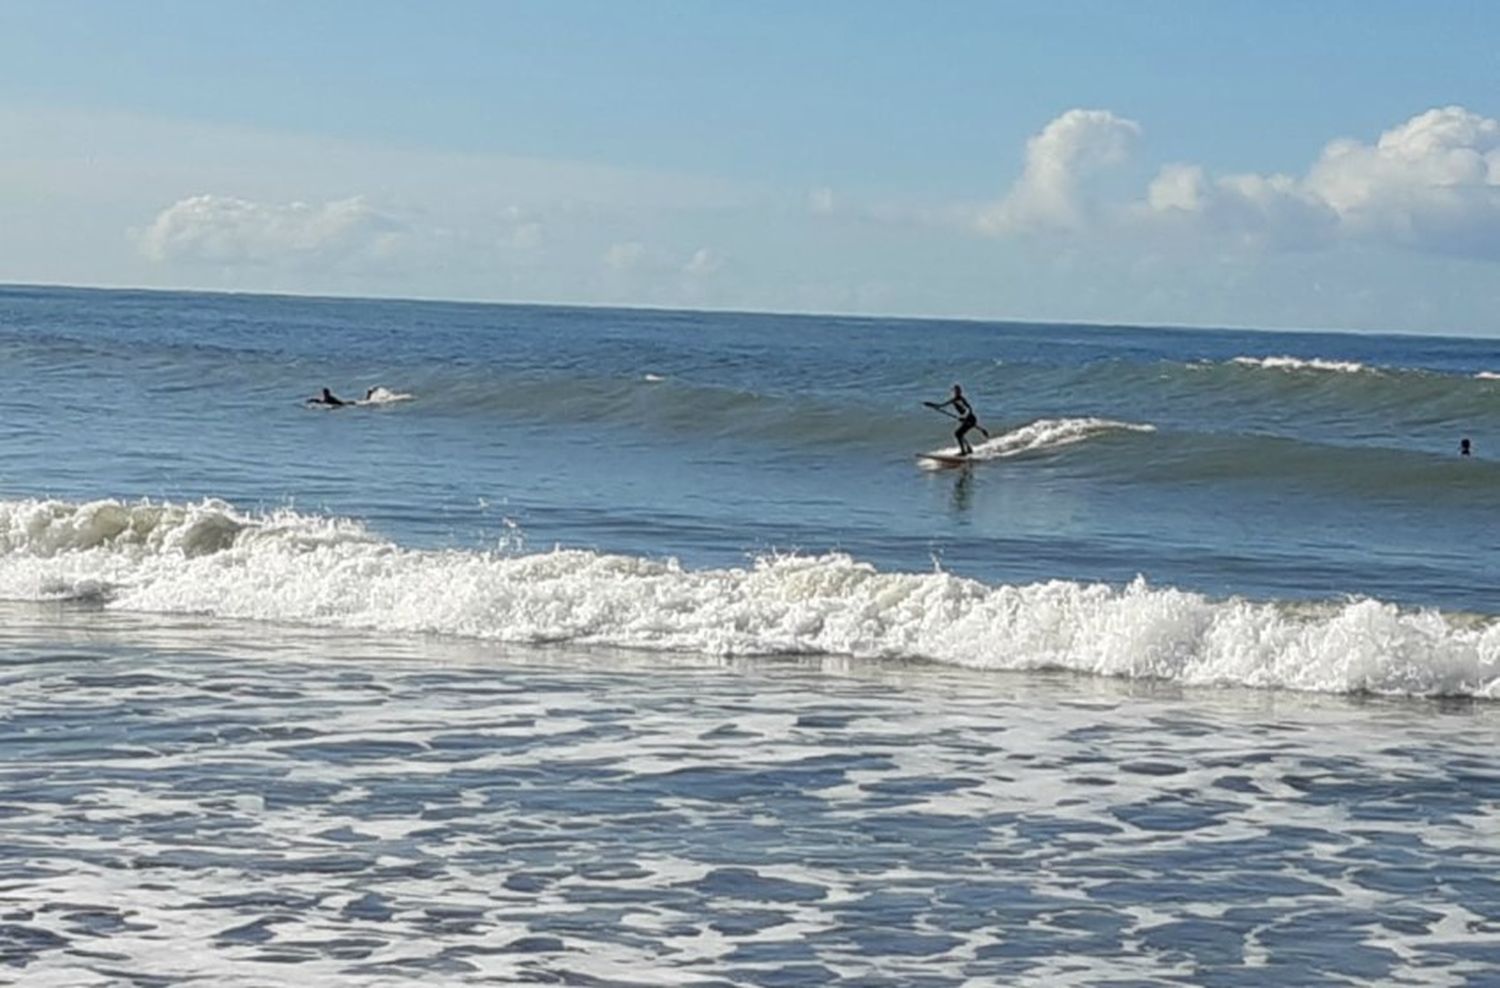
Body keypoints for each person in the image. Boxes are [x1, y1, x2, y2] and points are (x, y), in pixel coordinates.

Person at [927, 384, 982, 456]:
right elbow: (941, 405)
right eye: (956, 391)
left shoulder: (961, 399)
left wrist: (964, 417)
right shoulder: (953, 400)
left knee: (958, 434)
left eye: (958, 391)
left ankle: (964, 452)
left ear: (960, 392)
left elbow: (969, 409)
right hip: (966, 419)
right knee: (959, 434)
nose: (957, 393)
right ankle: (968, 449)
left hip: (971, 419)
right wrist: (932, 405)